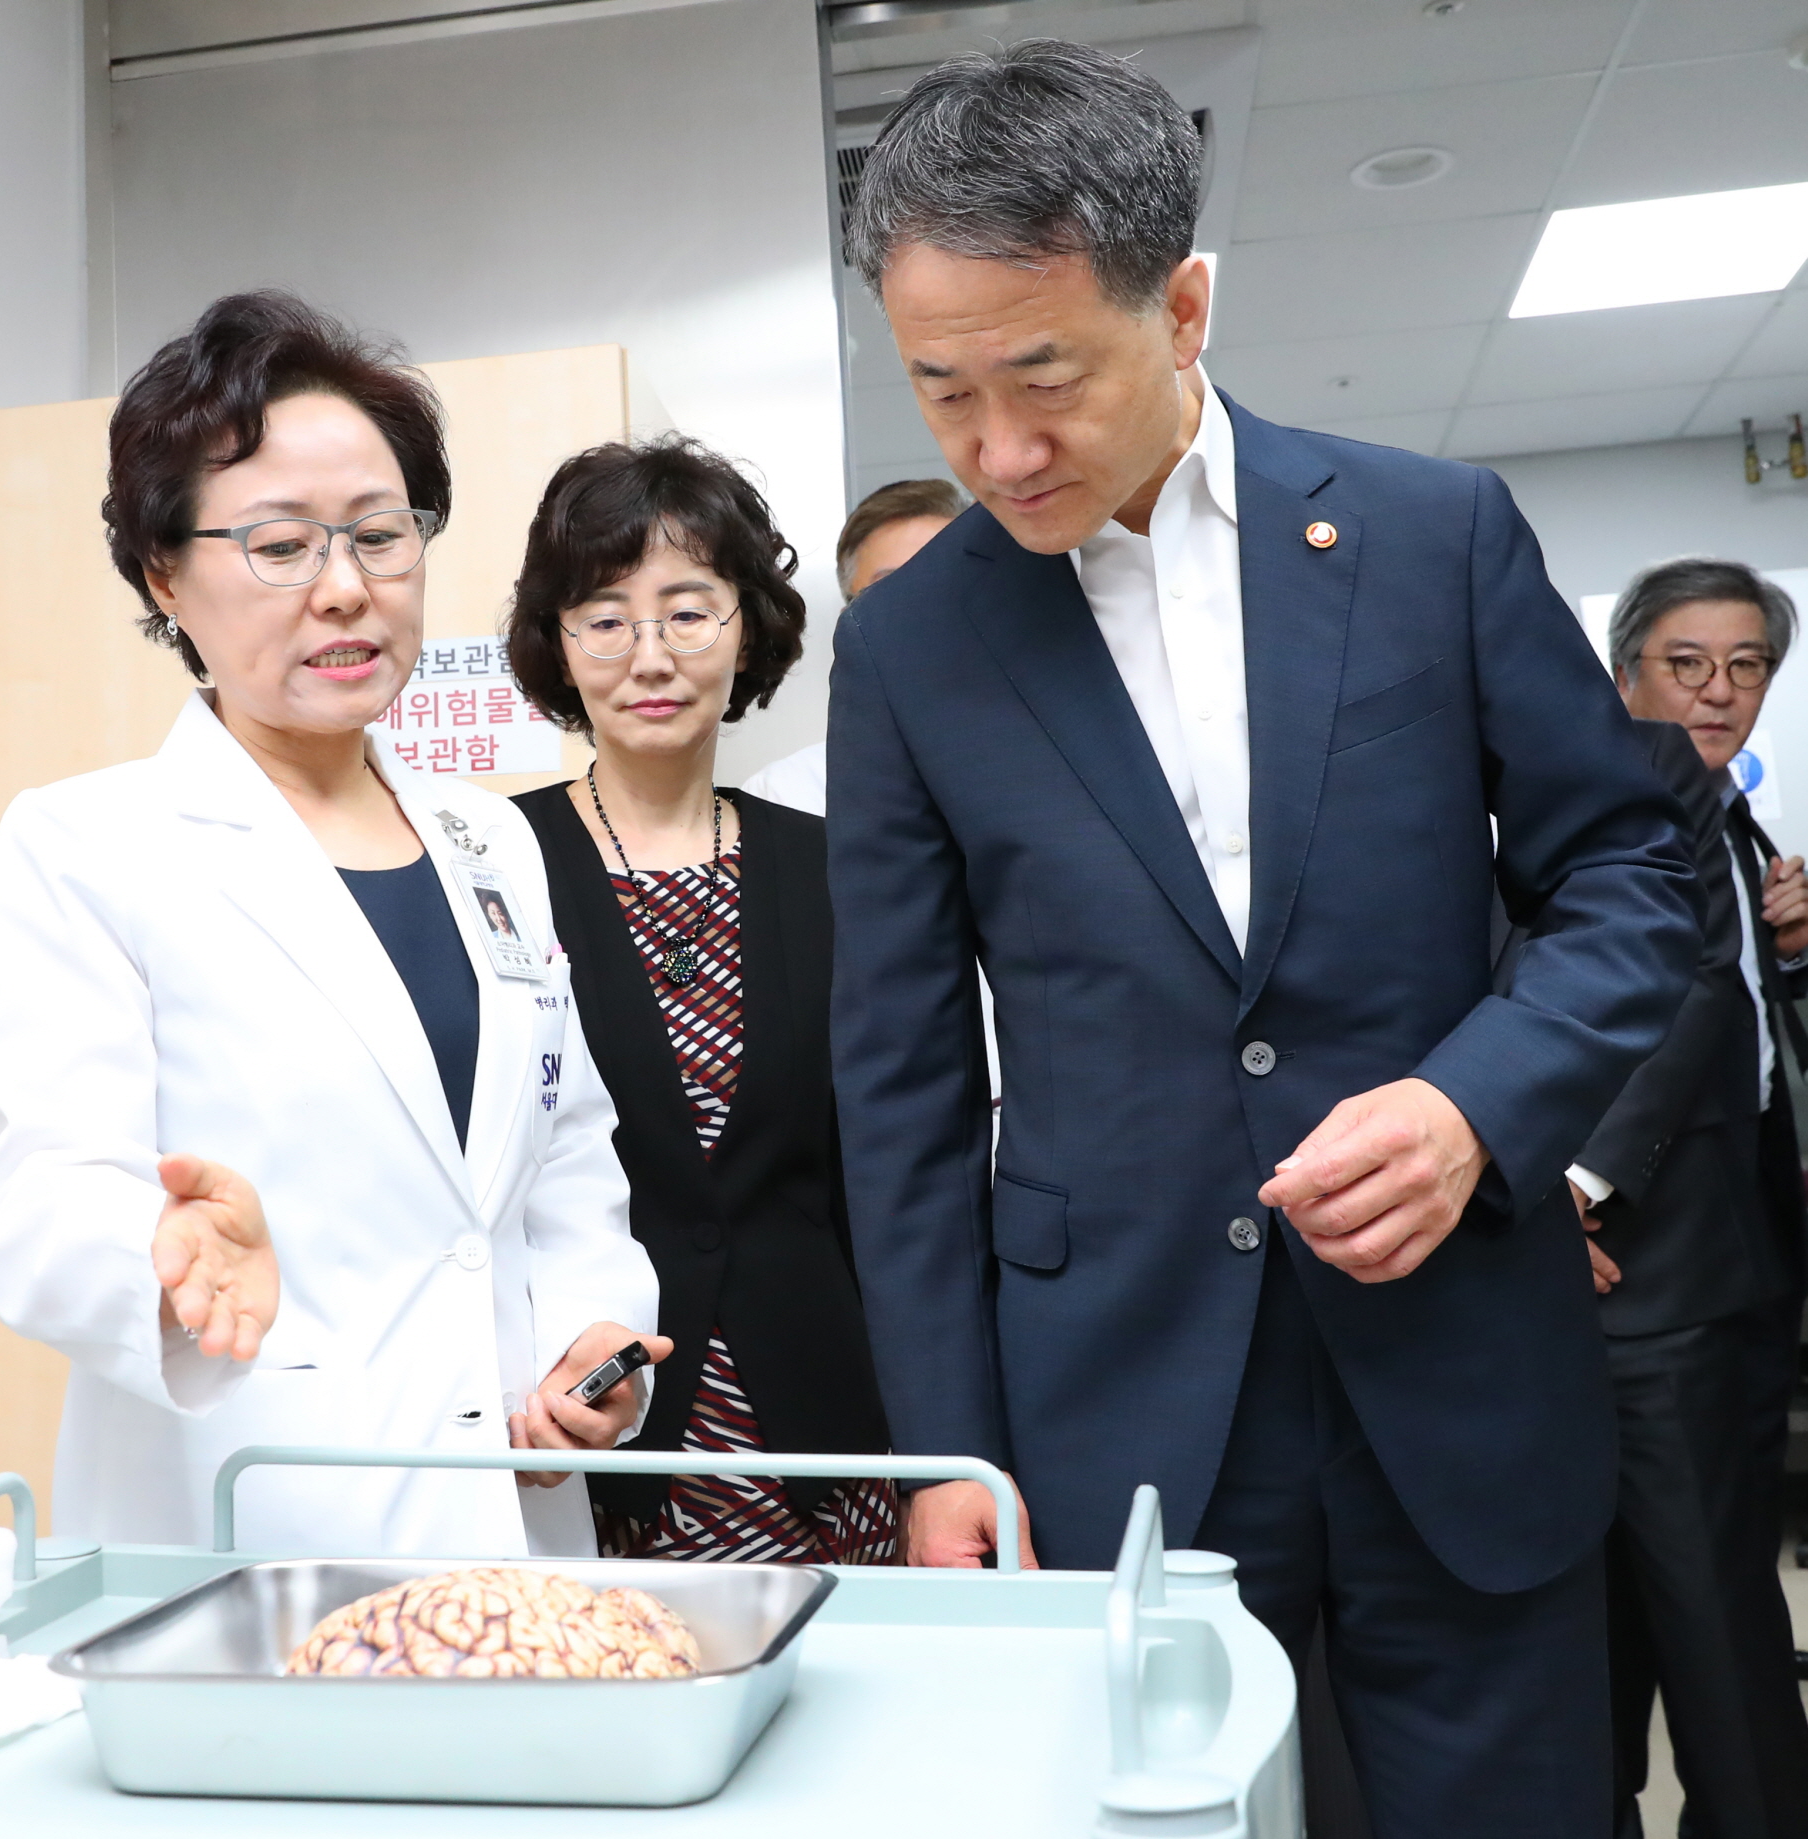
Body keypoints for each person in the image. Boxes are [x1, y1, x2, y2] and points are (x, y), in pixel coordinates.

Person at [827, 41, 1700, 1838]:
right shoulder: (909, 648)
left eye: (1043, 376)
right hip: (1113, 1401)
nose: (997, 450)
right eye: (939, 391)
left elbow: (1625, 873)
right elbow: (897, 1080)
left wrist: (1472, 1107)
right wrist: (943, 1448)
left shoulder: (1426, 536)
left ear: (1183, 306)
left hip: (1455, 1356)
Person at [0, 292, 663, 1558]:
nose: (346, 589)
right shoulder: (88, 845)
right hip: (260, 1512)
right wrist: (162, 1253)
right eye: (280, 546)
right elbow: (43, 1193)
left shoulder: (489, 838)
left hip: (510, 1504)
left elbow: (561, 1146)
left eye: (381, 536)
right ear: (164, 572)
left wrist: (588, 1331)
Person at [507, 437, 895, 1563]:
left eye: (687, 611)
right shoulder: (493, 863)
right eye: (605, 617)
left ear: (746, 628)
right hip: (590, 1428)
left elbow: (885, 1178)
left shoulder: (836, 869)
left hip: (827, 1431)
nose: (650, 655)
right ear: (557, 640)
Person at [1496, 703, 1808, 1837]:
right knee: (1552, 1642)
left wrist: (1569, 1191)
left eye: (1742, 666)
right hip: (1461, 1282)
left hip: (1650, 1271)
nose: (1719, 690)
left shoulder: (1642, 757)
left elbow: (1686, 978)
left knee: (1710, 1622)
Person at [1601, 556, 1808, 1832]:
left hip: (1736, 1259)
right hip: (1647, 1271)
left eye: (1745, 666)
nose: (1718, 691)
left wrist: (1795, 952)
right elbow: (1659, 1000)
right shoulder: (1618, 798)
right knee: (1703, 1609)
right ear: (1624, 673)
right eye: (1686, 664)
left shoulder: (1730, 812)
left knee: (1694, 1590)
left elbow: (1739, 1020)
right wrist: (1575, 1190)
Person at [739, 476, 964, 815]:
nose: (927, 614)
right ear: (848, 626)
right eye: (893, 593)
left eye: (950, 585)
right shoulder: (786, 797)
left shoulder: (1040, 771)